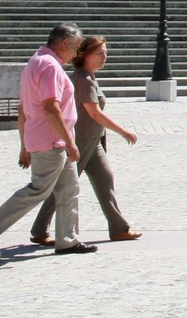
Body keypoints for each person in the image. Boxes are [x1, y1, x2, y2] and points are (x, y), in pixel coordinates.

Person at [0, 23, 95, 259]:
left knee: (69, 189)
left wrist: (25, 144)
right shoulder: (50, 66)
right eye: (75, 48)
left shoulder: (35, 62)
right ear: (64, 43)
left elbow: (23, 108)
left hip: (49, 139)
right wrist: (69, 141)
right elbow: (51, 107)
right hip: (52, 140)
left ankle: (68, 240)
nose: (75, 54)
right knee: (38, 189)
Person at [30, 35, 141, 244]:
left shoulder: (88, 77)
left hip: (93, 141)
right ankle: (40, 228)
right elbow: (95, 113)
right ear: (85, 55)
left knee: (105, 179)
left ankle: (119, 228)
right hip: (81, 142)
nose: (104, 57)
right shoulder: (83, 80)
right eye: (99, 53)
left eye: (105, 53)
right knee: (64, 186)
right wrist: (123, 131)